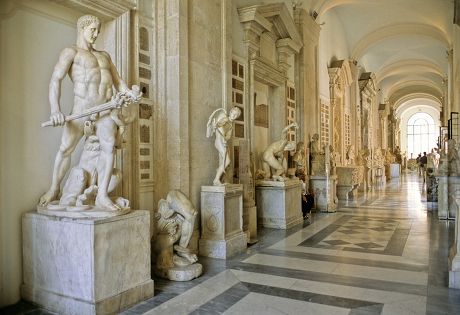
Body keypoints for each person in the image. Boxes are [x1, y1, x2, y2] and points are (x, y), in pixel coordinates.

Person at [38, 15, 140, 211]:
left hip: (106, 111)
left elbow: (119, 83)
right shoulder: (71, 52)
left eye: (98, 30)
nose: (96, 34)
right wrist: (55, 110)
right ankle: (54, 189)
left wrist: (131, 94)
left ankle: (101, 196)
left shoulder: (105, 56)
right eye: (92, 29)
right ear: (82, 28)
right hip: (82, 110)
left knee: (109, 148)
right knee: (66, 149)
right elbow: (55, 80)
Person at [206, 107, 242, 185]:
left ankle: (222, 178)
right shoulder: (225, 119)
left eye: (236, 115)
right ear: (230, 112)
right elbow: (219, 126)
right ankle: (216, 179)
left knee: (225, 162)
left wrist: (225, 139)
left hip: (224, 142)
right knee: (227, 161)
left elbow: (228, 136)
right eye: (233, 113)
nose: (233, 115)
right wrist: (223, 137)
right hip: (219, 141)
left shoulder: (231, 125)